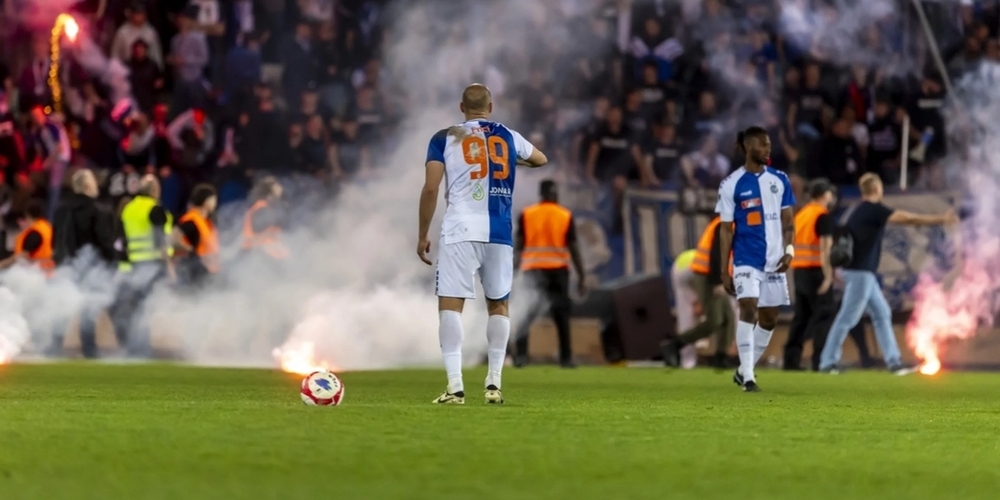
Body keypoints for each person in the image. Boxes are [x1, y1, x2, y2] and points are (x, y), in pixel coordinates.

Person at [417, 83, 548, 405]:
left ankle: (455, 386)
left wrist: (422, 234)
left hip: (461, 228)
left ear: (462, 107)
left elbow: (432, 188)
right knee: (499, 304)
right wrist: (510, 163)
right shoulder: (509, 136)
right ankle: (493, 384)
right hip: (500, 232)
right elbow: (541, 159)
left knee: (451, 304)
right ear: (490, 107)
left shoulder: (445, 137)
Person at [818, 173, 957, 374]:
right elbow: (907, 218)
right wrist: (940, 219)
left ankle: (893, 362)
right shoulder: (874, 210)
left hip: (861, 273)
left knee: (882, 314)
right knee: (847, 318)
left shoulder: (857, 209)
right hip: (860, 273)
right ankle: (827, 362)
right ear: (876, 189)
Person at [716, 126, 796, 392]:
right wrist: (724, 270)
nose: (768, 149)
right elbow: (725, 230)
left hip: (774, 260)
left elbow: (788, 221)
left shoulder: (780, 179)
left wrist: (789, 251)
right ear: (749, 148)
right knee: (748, 308)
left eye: (769, 144)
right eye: (763, 145)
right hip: (746, 258)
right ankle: (749, 377)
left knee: (770, 318)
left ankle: (742, 370)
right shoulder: (731, 185)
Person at [512, 179, 586, 369]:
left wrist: (512, 272)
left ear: (541, 193)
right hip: (558, 270)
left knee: (526, 313)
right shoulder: (565, 215)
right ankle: (566, 358)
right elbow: (574, 248)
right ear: (555, 193)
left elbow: (518, 247)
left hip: (532, 270)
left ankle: (521, 357)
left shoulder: (527, 214)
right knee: (561, 315)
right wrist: (582, 276)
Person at [51, 169, 119, 358]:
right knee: (88, 309)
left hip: (64, 266)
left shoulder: (60, 209)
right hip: (89, 268)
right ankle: (89, 351)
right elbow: (104, 241)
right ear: (89, 186)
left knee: (63, 308)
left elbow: (54, 240)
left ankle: (52, 349)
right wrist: (112, 262)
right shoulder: (96, 209)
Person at [662, 216, 735, 369]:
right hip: (701, 273)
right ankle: (675, 344)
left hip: (703, 272)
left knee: (727, 318)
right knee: (713, 319)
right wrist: (718, 282)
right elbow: (717, 254)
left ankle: (720, 356)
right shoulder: (728, 223)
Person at [115, 174, 173, 357]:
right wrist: (169, 266)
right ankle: (143, 349)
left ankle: (135, 347)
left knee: (136, 308)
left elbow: (122, 240)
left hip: (133, 265)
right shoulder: (155, 209)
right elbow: (160, 239)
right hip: (153, 265)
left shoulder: (128, 209)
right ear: (155, 191)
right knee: (147, 309)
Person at [784, 178, 836, 370]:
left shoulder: (802, 214)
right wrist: (829, 276)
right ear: (824, 195)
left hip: (800, 271)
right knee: (824, 316)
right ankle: (820, 361)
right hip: (816, 271)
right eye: (829, 193)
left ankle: (791, 360)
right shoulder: (822, 215)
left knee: (801, 317)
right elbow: (825, 249)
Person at [174, 183, 219, 287]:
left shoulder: (205, 221)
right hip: (195, 273)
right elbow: (174, 238)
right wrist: (191, 251)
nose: (215, 203)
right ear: (207, 201)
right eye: (214, 199)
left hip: (207, 272)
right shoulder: (192, 220)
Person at [242, 176, 288, 261]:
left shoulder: (257, 207)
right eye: (277, 188)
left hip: (258, 253)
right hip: (262, 255)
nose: (280, 190)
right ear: (270, 193)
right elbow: (261, 234)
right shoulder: (262, 209)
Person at [0, 200, 54, 274]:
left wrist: (2, 264)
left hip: (35, 273)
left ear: (28, 215)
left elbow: (21, 257)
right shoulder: (46, 226)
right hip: (46, 271)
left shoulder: (34, 234)